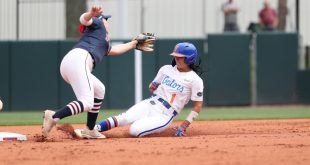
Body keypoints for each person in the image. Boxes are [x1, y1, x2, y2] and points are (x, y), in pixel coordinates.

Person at [42, 5, 154, 139]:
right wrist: (91, 14)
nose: (107, 22)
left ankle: (90, 129)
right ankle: (54, 116)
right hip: (80, 59)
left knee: (99, 89)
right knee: (87, 102)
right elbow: (83, 20)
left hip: (72, 63)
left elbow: (115, 50)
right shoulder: (98, 24)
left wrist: (133, 43)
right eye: (106, 19)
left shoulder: (103, 41)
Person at [75, 42, 204, 138]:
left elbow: (197, 106)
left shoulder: (195, 80)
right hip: (150, 103)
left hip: (165, 114)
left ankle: (165, 130)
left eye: (180, 57)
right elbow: (153, 86)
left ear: (189, 58)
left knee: (134, 130)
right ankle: (91, 130)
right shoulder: (166, 69)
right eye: (175, 55)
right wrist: (152, 86)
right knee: (124, 118)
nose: (177, 58)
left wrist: (185, 125)